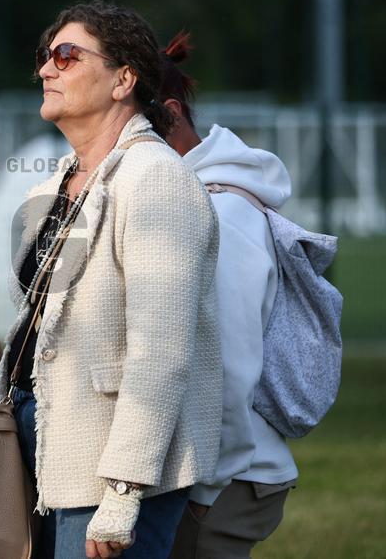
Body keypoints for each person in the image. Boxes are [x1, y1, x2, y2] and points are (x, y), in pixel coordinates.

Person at [0, 0, 223, 559]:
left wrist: (124, 492)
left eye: (67, 56)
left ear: (124, 79)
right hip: (49, 441)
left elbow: (161, 353)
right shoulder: (58, 182)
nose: (46, 70)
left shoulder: (156, 182)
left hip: (112, 466)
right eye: (45, 58)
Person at [161, 32, 298, 559]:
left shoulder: (222, 213)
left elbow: (229, 369)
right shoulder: (185, 198)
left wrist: (204, 493)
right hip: (204, 477)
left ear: (170, 115)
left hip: (225, 483)